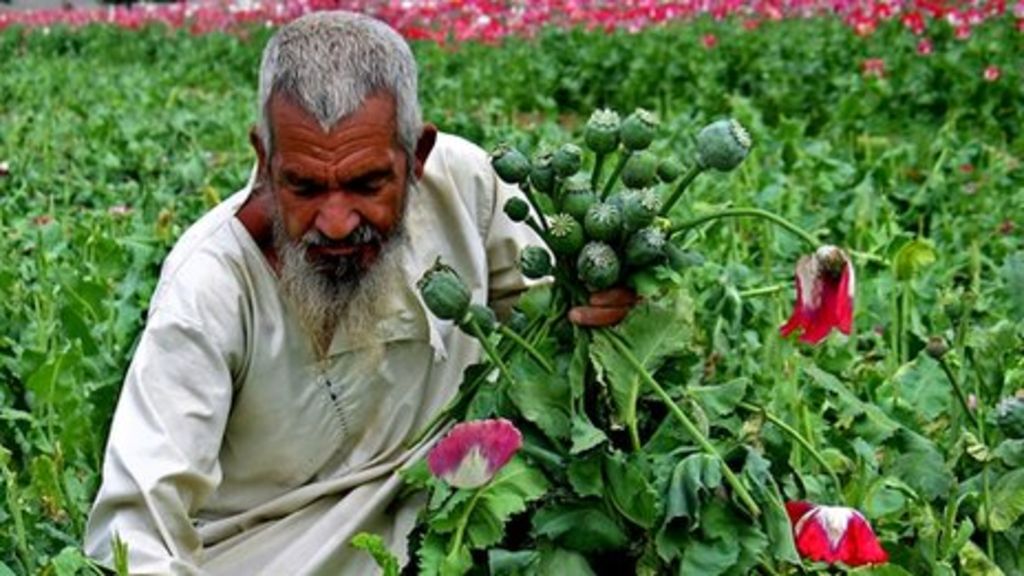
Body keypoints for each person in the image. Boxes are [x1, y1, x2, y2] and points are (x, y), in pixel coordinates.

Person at [84, 10, 634, 575]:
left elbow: (555, 331)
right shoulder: (210, 285)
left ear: (416, 156)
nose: (338, 221)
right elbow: (134, 530)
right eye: (303, 186)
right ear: (265, 161)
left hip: (465, 521)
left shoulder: (468, 187)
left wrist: (603, 310)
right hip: (280, 555)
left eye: (367, 184)